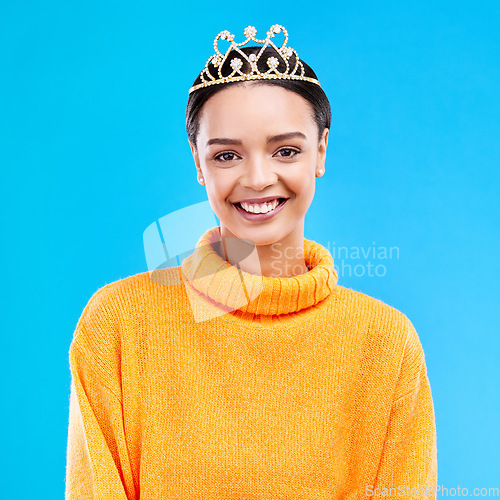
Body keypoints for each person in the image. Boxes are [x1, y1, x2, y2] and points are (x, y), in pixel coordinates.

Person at [65, 24, 437, 499]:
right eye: (226, 155)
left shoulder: (386, 342)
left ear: (320, 151)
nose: (258, 178)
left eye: (286, 150)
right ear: (198, 163)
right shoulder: (118, 325)